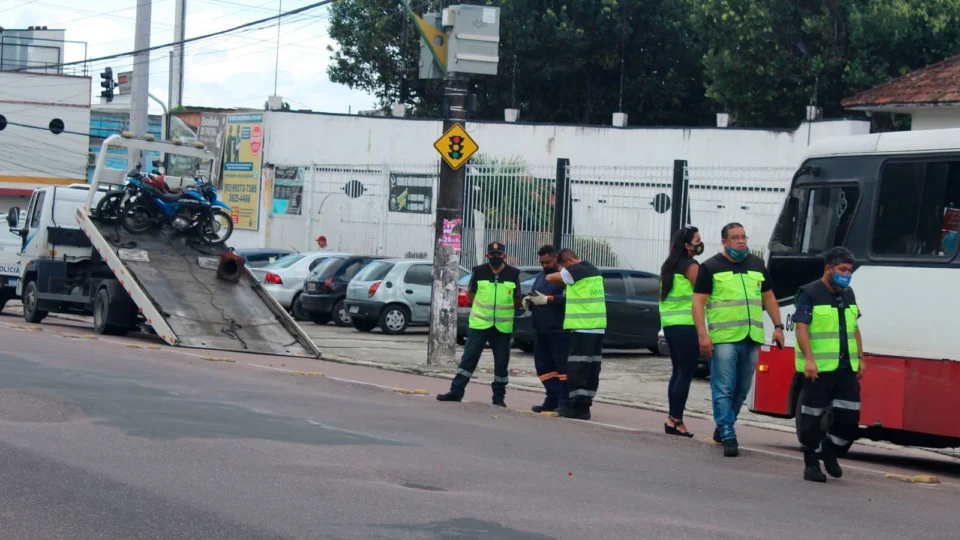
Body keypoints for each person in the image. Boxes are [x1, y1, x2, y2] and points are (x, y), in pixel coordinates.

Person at [692, 222, 784, 457]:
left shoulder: (756, 264)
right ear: (724, 242)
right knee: (723, 388)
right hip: (723, 339)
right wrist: (703, 334)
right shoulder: (710, 267)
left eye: (743, 237)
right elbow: (698, 303)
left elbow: (769, 297)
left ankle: (724, 426)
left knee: (742, 389)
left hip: (751, 337)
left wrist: (778, 326)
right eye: (735, 238)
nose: (741, 241)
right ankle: (728, 431)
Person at [793, 246, 865, 483]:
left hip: (846, 369)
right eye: (842, 269)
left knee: (849, 419)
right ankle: (811, 464)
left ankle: (829, 450)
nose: (846, 274)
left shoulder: (848, 293)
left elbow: (854, 328)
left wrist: (861, 358)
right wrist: (810, 360)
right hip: (819, 370)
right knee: (812, 418)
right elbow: (801, 328)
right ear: (828, 269)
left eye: (849, 270)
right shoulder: (810, 293)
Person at [437, 242, 522, 406]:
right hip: (479, 324)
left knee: (502, 363)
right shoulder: (479, 271)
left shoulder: (513, 273)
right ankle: (456, 391)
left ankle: (499, 398)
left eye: (499, 254)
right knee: (468, 359)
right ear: (487, 256)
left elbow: (517, 299)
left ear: (504, 256)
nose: (495, 257)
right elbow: (470, 296)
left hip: (502, 327)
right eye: (492, 254)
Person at [545, 249, 606, 420]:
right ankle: (584, 406)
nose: (563, 269)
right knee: (591, 368)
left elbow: (550, 278)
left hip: (582, 327)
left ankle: (576, 407)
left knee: (577, 367)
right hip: (597, 327)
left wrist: (561, 270)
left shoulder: (576, 271)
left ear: (570, 261)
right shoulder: (593, 270)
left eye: (564, 265)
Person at [658, 225, 703, 438]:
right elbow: (703, 293)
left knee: (677, 372)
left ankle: (671, 418)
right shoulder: (690, 265)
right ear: (687, 245)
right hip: (687, 325)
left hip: (670, 324)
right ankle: (676, 420)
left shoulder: (669, 265)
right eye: (697, 240)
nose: (700, 244)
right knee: (685, 373)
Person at [523, 245, 569, 413]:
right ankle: (551, 398)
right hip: (540, 328)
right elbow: (537, 294)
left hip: (559, 329)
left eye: (547, 262)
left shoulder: (565, 276)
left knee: (561, 369)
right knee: (544, 367)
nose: (544, 266)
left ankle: (564, 402)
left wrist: (550, 300)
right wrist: (529, 301)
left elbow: (568, 298)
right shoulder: (541, 276)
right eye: (542, 262)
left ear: (556, 258)